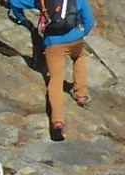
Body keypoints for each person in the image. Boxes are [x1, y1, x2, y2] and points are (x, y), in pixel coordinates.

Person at [9, 0, 96, 139]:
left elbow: (14, 3)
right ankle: (81, 95)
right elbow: (89, 21)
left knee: (55, 80)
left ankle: (57, 122)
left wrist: (22, 20)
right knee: (79, 58)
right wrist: (81, 32)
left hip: (53, 43)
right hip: (75, 39)